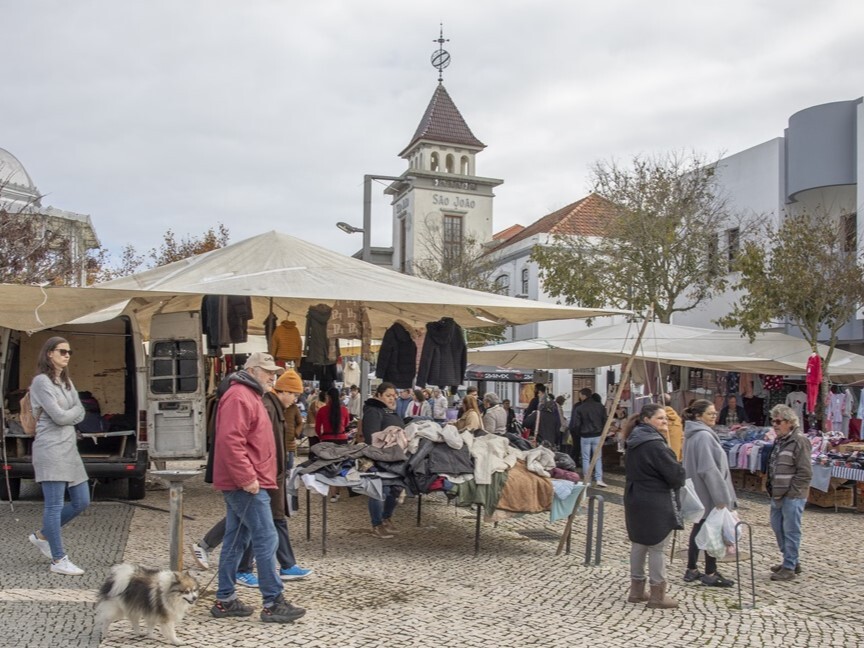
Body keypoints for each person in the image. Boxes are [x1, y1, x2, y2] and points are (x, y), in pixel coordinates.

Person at [210, 352, 306, 623]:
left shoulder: (248, 394)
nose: (272, 376)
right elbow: (231, 442)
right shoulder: (240, 396)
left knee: (236, 539)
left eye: (273, 371)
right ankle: (273, 602)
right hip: (246, 483)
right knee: (266, 538)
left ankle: (225, 600)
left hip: (249, 480)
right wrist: (247, 479)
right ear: (251, 371)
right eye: (267, 371)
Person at [27, 336, 90, 576]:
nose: (67, 355)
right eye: (62, 351)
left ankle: (43, 535)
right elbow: (60, 417)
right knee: (53, 505)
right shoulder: (41, 382)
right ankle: (58, 559)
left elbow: (80, 412)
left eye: (69, 352)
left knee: (82, 500)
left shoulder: (65, 381)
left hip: (69, 450)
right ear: (49, 354)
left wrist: (71, 413)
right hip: (50, 449)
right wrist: (71, 413)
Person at [623, 404, 686, 609]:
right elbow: (676, 475)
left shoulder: (633, 440)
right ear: (647, 420)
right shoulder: (655, 445)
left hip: (636, 496)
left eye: (665, 419)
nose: (664, 422)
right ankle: (657, 594)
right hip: (654, 499)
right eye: (660, 418)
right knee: (657, 546)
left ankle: (637, 590)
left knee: (639, 543)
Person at [262, 368, 313, 581]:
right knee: (254, 524)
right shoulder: (270, 407)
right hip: (269, 475)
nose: (295, 400)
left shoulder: (276, 406)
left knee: (272, 521)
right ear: (283, 390)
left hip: (274, 474)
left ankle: (286, 565)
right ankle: (242, 569)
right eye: (293, 394)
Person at [682, 399, 737, 588]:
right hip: (707, 491)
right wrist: (721, 497)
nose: (714, 416)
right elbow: (708, 469)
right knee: (711, 530)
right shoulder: (703, 436)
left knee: (700, 528)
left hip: (698, 489)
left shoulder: (693, 434)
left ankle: (692, 568)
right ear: (699, 416)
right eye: (710, 414)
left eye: (715, 413)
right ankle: (710, 573)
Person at [766, 404, 812, 581]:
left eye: (779, 421)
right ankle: (791, 560)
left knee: (791, 530)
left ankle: (789, 567)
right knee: (778, 527)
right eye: (773, 421)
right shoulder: (780, 440)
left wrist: (793, 492)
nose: (775, 425)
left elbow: (805, 471)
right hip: (777, 493)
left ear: (790, 422)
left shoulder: (799, 441)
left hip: (792, 495)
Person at [362, 382, 404, 539]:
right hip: (379, 458)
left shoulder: (390, 411)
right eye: (388, 395)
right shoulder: (373, 411)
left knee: (396, 488)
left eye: (394, 396)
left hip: (394, 458)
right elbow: (372, 437)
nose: (392, 398)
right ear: (378, 395)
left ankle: (386, 519)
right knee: (379, 490)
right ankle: (377, 524)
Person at [570, 388, 608, 487]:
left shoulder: (580, 408)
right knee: (598, 457)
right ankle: (599, 479)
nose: (579, 397)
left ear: (584, 396)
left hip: (585, 436)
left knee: (585, 458)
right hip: (597, 435)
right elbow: (605, 420)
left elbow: (576, 424)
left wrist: (579, 433)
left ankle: (587, 479)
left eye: (580, 395)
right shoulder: (600, 407)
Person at [663, 394, 683, 461]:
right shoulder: (678, 419)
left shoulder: (660, 420)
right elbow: (682, 438)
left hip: (664, 456)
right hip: (676, 456)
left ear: (659, 402)